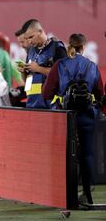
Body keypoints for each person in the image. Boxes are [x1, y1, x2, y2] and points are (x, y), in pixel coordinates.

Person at [43, 33, 104, 205]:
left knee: (65, 155)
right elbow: (100, 94)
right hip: (87, 115)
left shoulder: (60, 65)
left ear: (70, 45)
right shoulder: (92, 66)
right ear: (84, 47)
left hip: (65, 116)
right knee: (87, 154)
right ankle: (86, 193)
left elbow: (47, 93)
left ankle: (65, 195)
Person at [20, 19, 67, 108]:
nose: (29, 42)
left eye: (31, 37)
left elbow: (63, 75)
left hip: (51, 106)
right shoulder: (30, 52)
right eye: (26, 39)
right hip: (32, 105)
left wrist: (38, 69)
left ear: (40, 31)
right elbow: (27, 82)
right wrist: (23, 72)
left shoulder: (57, 48)